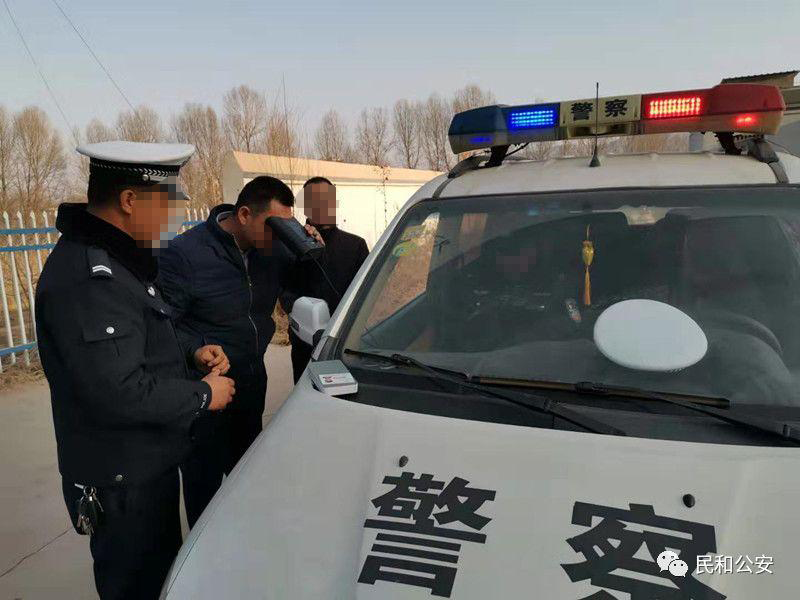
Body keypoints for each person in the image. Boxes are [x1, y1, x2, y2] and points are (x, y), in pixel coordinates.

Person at [35, 141, 236, 600]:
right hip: (121, 479)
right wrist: (203, 395)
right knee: (137, 587)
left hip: (144, 464)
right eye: (168, 205)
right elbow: (118, 390)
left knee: (159, 575)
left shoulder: (121, 261)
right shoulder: (90, 280)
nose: (174, 219)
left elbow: (143, 340)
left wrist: (192, 353)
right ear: (130, 201)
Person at [158, 175, 323, 527]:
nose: (277, 234)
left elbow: (306, 288)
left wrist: (309, 251)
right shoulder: (186, 255)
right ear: (245, 214)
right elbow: (163, 326)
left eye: (285, 226)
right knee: (205, 491)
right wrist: (195, 351)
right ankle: (206, 563)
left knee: (248, 479)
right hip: (205, 393)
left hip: (250, 383)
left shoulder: (273, 250)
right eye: (272, 225)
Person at [281, 176, 370, 382]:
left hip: (345, 341)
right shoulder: (289, 245)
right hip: (305, 343)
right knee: (305, 396)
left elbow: (366, 295)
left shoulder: (355, 245)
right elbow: (283, 291)